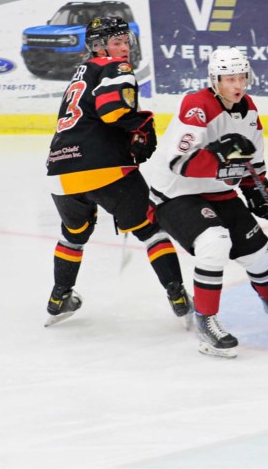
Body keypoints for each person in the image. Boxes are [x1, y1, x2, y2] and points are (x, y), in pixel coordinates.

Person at [146, 48, 268, 358]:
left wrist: (259, 191)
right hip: (176, 195)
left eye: (241, 78)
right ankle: (206, 321)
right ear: (215, 80)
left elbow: (252, 163)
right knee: (214, 241)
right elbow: (178, 163)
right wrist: (216, 154)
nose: (237, 85)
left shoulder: (249, 110)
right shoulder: (197, 106)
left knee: (257, 249)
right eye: (229, 79)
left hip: (219, 192)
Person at [44, 16, 192, 327]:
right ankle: (177, 294)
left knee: (73, 235)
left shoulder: (80, 74)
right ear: (99, 47)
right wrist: (140, 124)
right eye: (117, 42)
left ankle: (59, 297)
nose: (124, 49)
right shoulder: (114, 68)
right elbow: (112, 111)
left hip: (60, 170)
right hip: (104, 169)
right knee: (150, 228)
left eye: (126, 42)